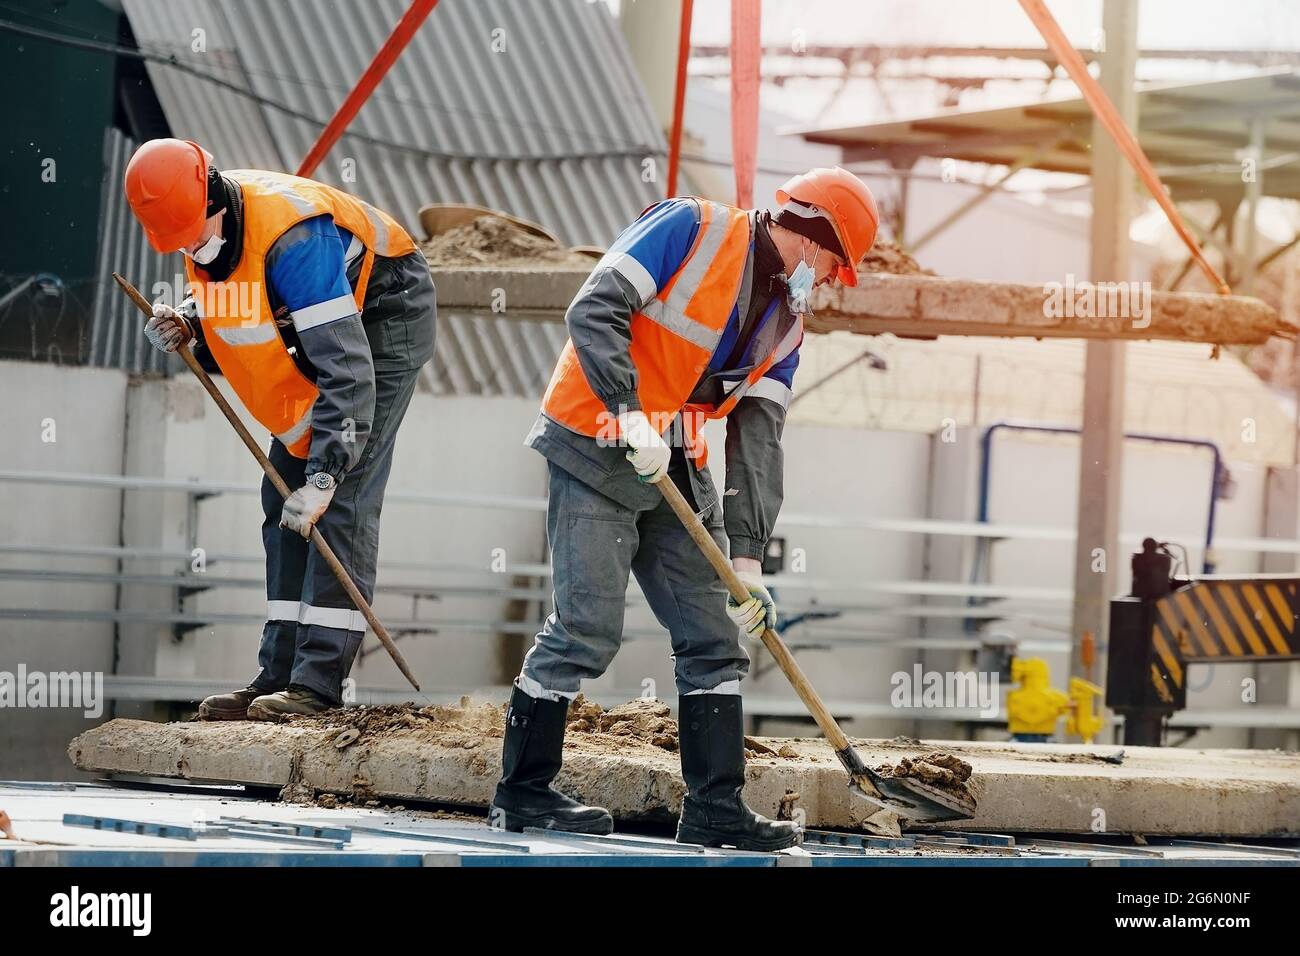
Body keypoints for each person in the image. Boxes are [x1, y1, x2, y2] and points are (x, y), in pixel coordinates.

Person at [489, 168, 879, 849]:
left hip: (677, 460)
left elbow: (759, 441)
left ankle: (714, 807)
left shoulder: (787, 327)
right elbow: (593, 310)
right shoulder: (689, 228)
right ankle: (521, 793)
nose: (827, 284)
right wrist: (629, 414)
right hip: (596, 441)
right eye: (834, 267)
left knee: (712, 636)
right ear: (816, 243)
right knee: (587, 629)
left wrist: (749, 560)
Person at [124, 138, 436, 719]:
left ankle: (316, 688)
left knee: (339, 499)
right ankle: (277, 677)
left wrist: (327, 474)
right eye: (181, 240)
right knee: (282, 495)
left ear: (214, 197)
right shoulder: (199, 226)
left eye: (193, 232)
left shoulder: (294, 240)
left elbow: (348, 368)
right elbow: (243, 319)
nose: (191, 246)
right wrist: (192, 327)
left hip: (386, 310)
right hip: (315, 321)